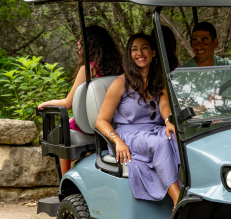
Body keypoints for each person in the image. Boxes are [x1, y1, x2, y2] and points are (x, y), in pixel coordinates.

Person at [95, 33, 182, 207]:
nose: (139, 53)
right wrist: (117, 141)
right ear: (129, 55)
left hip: (154, 130)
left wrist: (168, 122)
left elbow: (164, 105)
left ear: (153, 53)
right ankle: (178, 200)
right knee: (160, 143)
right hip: (127, 135)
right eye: (134, 49)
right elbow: (101, 121)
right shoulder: (121, 83)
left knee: (177, 138)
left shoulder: (158, 80)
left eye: (144, 48)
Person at [38, 25, 123, 175]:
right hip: (115, 124)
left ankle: (65, 182)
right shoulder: (120, 67)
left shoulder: (89, 69)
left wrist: (46, 103)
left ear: (89, 44)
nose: (78, 44)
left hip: (92, 126)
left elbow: (68, 103)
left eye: (80, 41)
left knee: (64, 132)